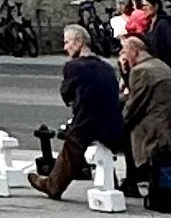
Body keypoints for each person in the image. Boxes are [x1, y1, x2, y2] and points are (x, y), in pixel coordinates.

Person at [30, 23, 126, 199]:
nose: (65, 47)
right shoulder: (105, 67)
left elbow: (67, 94)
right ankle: (110, 181)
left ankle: (53, 186)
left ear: (79, 42)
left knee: (72, 144)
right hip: (113, 123)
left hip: (89, 122)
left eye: (67, 42)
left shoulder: (74, 67)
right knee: (98, 147)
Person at [119, 30, 171, 209]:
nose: (121, 55)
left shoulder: (141, 71)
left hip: (162, 133)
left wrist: (124, 72)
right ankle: (133, 180)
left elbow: (133, 107)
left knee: (123, 131)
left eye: (123, 51)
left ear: (134, 52)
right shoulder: (159, 64)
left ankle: (132, 181)